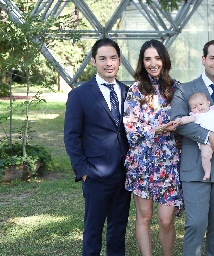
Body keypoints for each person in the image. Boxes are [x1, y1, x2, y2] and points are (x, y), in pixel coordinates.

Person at [170, 39, 214, 256]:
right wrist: (208, 135)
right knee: (196, 224)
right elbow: (178, 121)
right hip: (195, 168)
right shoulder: (185, 89)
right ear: (203, 59)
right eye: (212, 58)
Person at [64, 38, 131, 256]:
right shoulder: (79, 95)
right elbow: (71, 136)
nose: (108, 63)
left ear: (119, 61)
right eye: (102, 58)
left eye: (113, 58)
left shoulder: (128, 92)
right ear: (94, 61)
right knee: (93, 231)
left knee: (118, 230)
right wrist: (83, 171)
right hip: (95, 174)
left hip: (124, 173)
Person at [123, 39, 183, 256]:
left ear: (164, 60)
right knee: (145, 216)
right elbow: (130, 128)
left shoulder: (177, 89)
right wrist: (157, 129)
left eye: (157, 58)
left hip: (168, 163)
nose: (153, 63)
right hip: (142, 162)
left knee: (166, 220)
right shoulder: (135, 90)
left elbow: (187, 119)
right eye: (147, 59)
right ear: (142, 62)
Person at [178, 92, 214, 180]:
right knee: (205, 155)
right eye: (194, 107)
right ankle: (207, 172)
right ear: (191, 109)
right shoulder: (196, 115)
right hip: (207, 141)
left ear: (208, 103)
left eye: (201, 104)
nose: (199, 107)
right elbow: (187, 119)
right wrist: (180, 120)